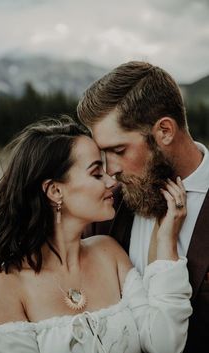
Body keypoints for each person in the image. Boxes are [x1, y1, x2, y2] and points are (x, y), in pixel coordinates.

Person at [0, 118, 192, 353]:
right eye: (97, 173)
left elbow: (165, 345)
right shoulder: (2, 287)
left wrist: (166, 240)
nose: (112, 181)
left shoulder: (109, 253)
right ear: (55, 191)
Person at [77, 60, 209, 353]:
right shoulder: (106, 206)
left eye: (119, 151)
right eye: (104, 153)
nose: (110, 170)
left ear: (164, 131)